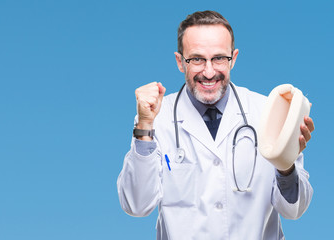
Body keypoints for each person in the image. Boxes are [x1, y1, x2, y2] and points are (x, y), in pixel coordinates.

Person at [117, 10, 314, 240]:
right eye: (197, 59)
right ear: (180, 61)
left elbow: (294, 209)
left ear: (234, 58)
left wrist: (285, 165)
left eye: (219, 58)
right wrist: (145, 126)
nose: (209, 72)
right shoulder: (155, 119)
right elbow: (136, 205)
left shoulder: (267, 112)